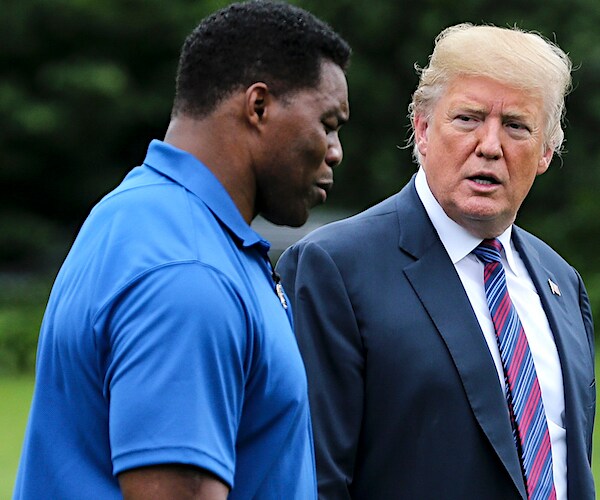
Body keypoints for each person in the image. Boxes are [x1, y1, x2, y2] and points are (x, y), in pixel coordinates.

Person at [13, 1, 350, 498]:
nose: (336, 150)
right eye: (328, 123)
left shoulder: (141, 214)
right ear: (258, 107)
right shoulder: (189, 271)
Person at [277, 23, 595, 499]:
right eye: (467, 118)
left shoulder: (561, 282)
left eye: (516, 126)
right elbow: (312, 482)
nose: (490, 145)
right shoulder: (333, 269)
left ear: (546, 150)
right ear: (422, 129)